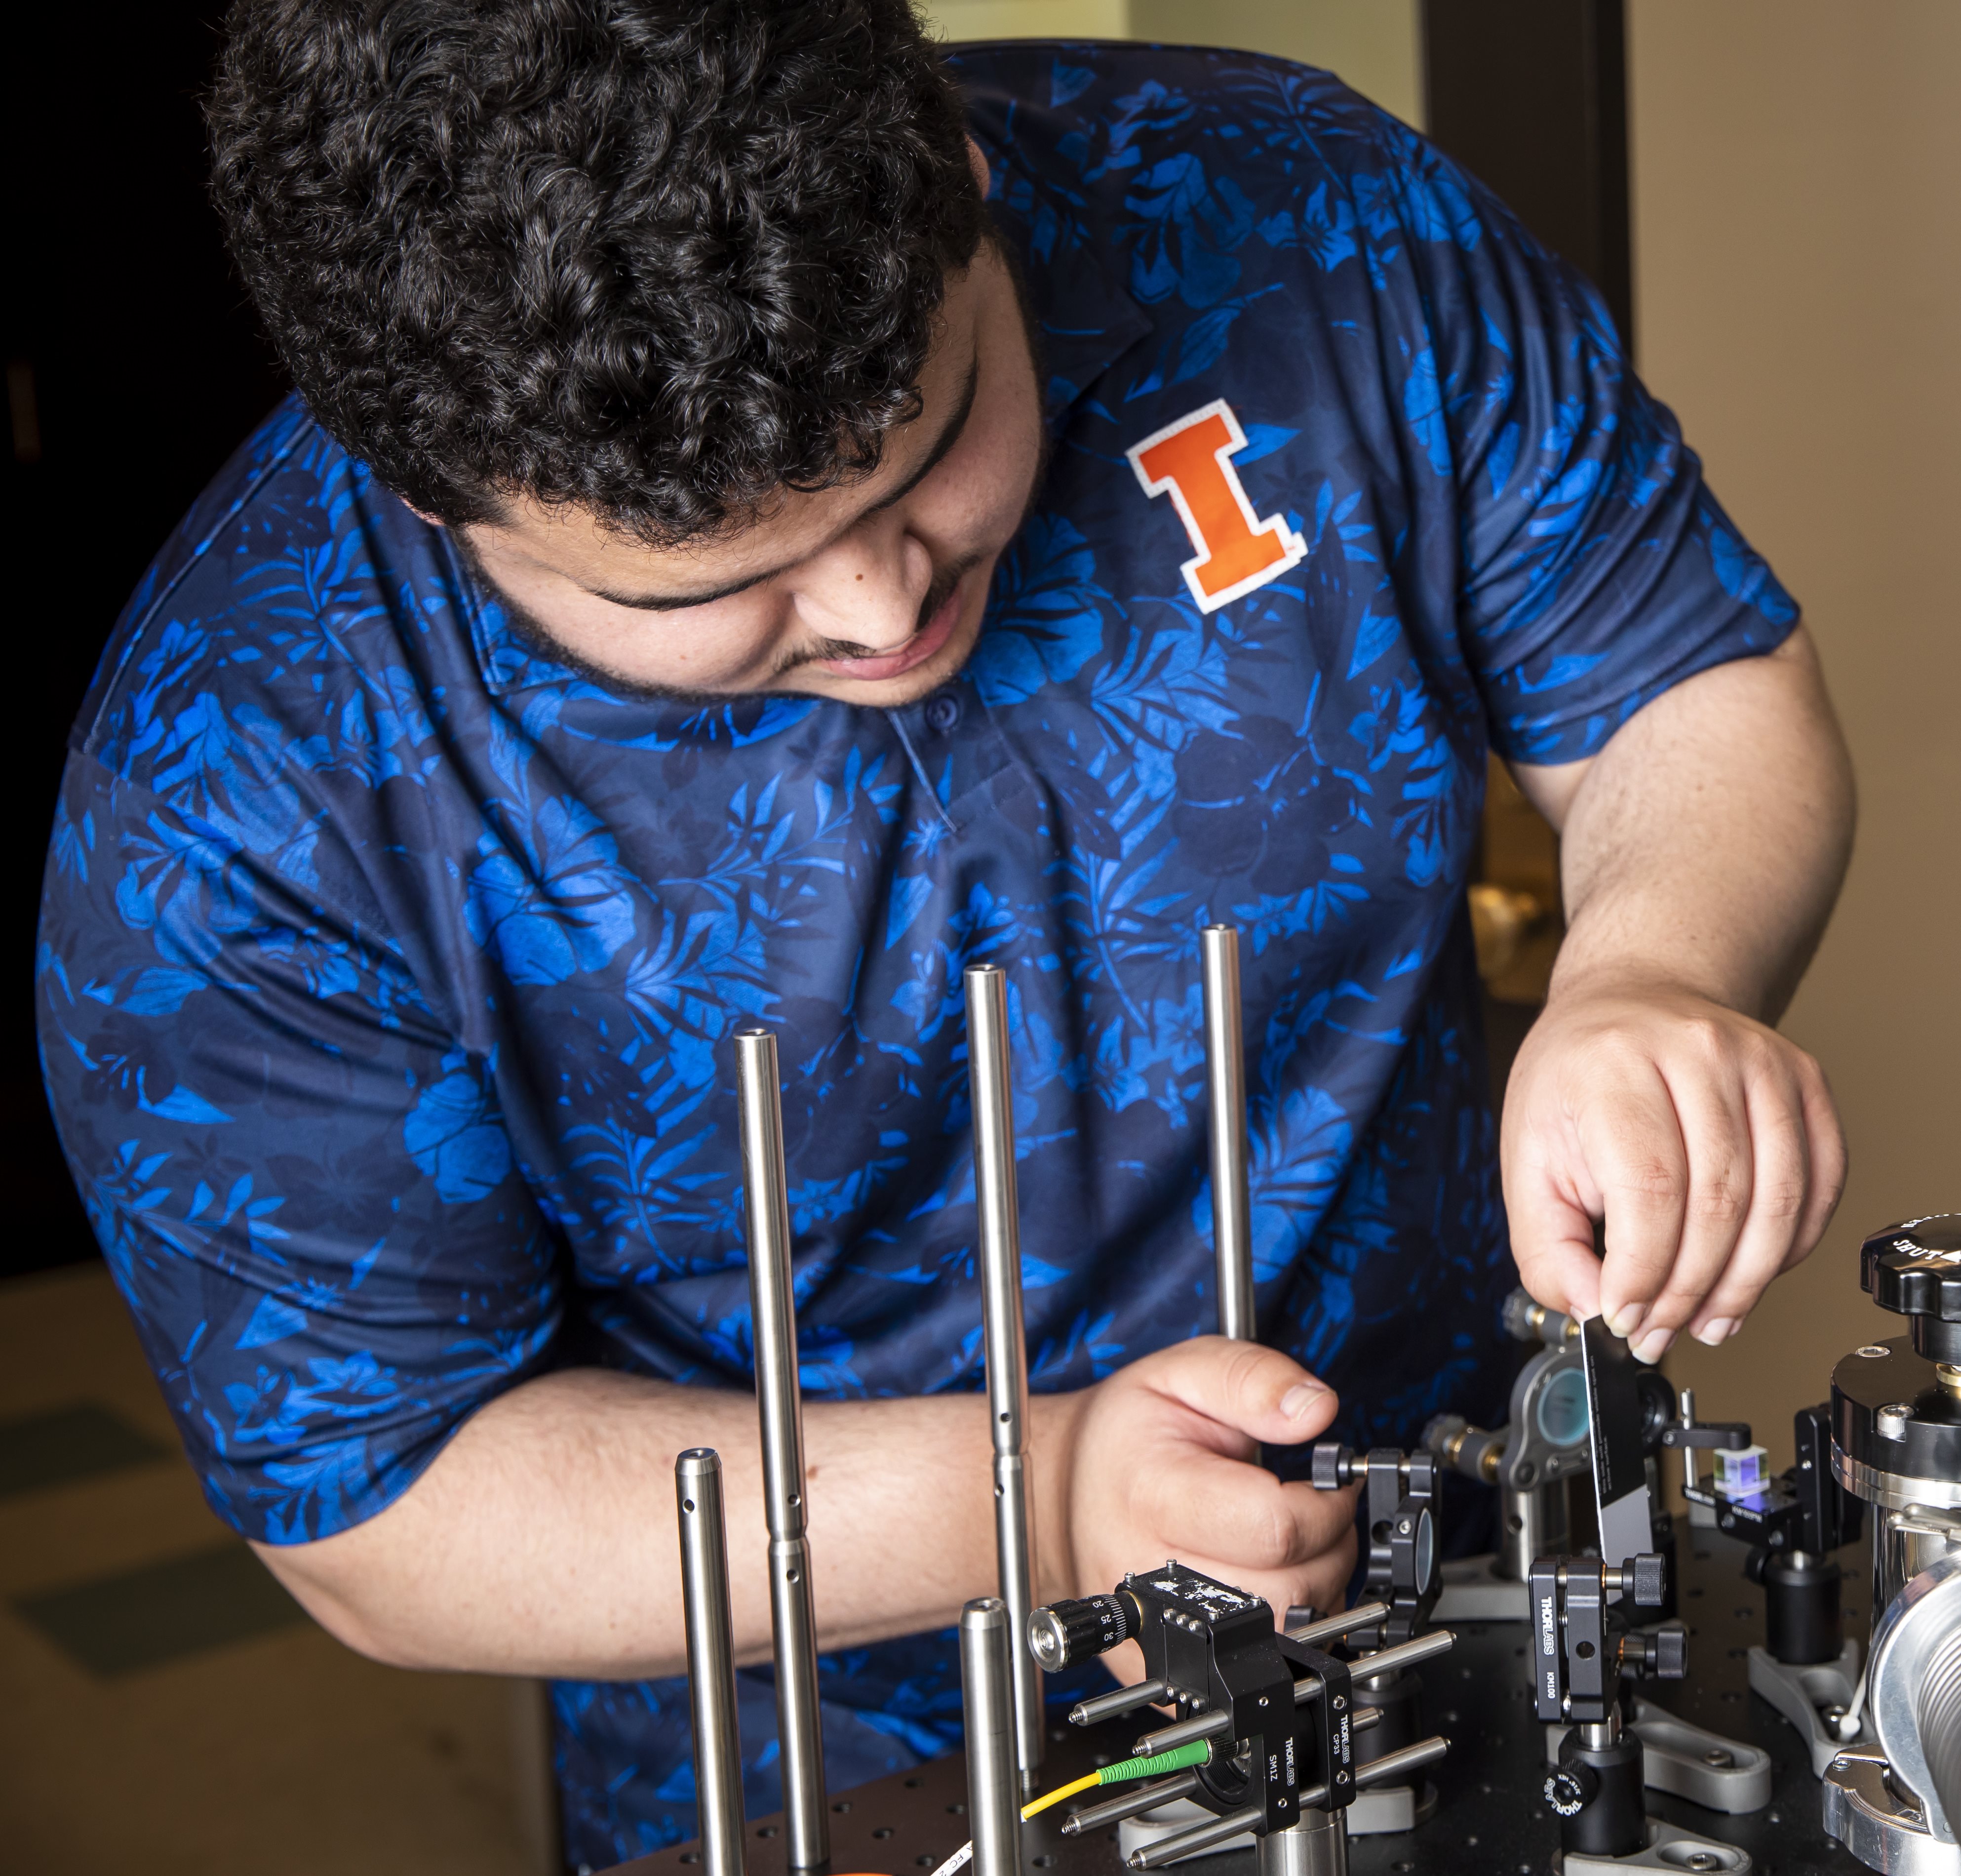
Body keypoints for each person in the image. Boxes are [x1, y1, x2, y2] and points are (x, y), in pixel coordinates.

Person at [34, 1, 1852, 1863]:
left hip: (1471, 1600)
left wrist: (1652, 967)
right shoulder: (242, 774)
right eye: (719, 588)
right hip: (831, 1771)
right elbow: (383, 1503)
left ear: (965, 193)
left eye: (925, 452)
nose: (877, 605)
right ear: (435, 494)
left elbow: (1679, 673)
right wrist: (1047, 1495)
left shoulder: (1301, 216)